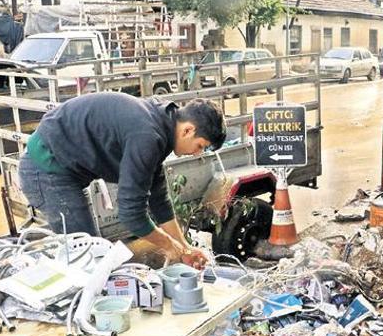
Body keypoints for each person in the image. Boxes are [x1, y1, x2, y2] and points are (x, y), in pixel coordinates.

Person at [18, 92, 227, 267]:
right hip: (46, 167)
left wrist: (185, 249)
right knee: (86, 255)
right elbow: (132, 215)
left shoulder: (161, 123)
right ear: (188, 130)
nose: (197, 153)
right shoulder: (148, 135)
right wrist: (169, 245)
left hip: (62, 166)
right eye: (200, 146)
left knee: (90, 250)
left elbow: (159, 199)